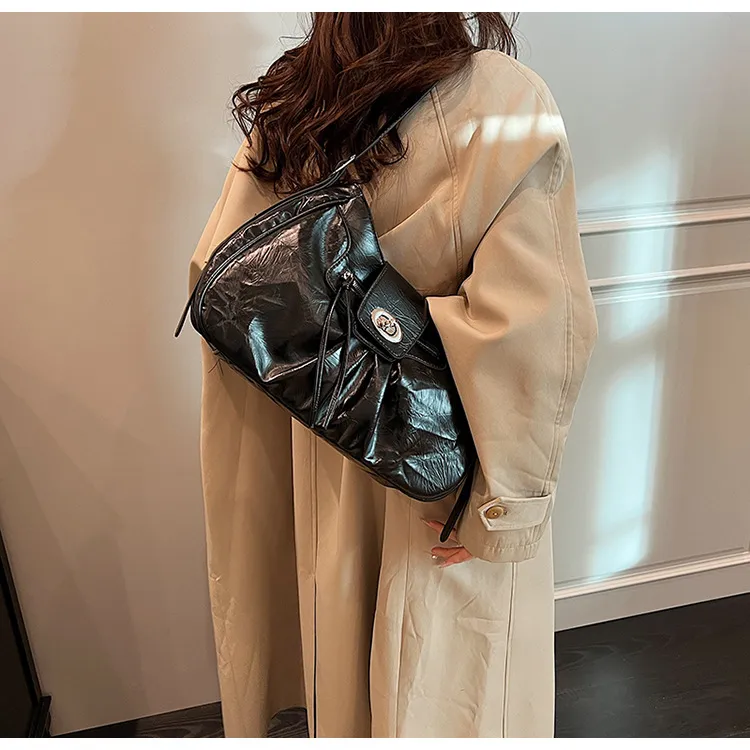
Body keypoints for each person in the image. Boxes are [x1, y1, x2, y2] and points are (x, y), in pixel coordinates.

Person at [187, 12, 597, 738]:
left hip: (320, 440)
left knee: (338, 669)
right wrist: (502, 508)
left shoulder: (293, 103)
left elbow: (220, 276)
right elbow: (533, 331)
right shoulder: (502, 97)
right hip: (442, 467)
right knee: (442, 688)